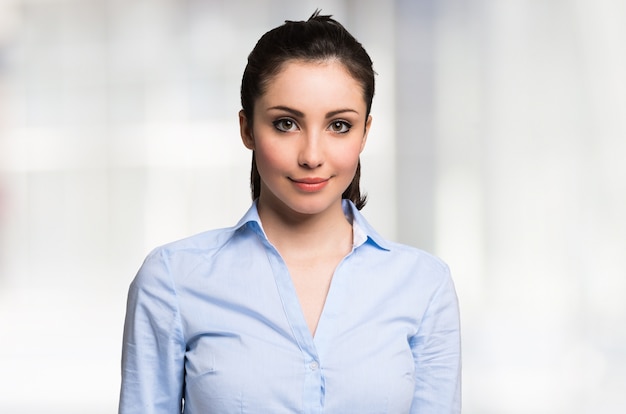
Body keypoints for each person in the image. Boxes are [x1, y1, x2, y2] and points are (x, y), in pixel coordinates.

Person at [119, 10, 461, 414]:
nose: (312, 156)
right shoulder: (172, 280)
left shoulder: (424, 287)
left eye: (339, 126)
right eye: (285, 123)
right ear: (247, 129)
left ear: (365, 132)